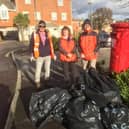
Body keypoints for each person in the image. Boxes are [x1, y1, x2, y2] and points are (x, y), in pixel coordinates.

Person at [29, 20, 56, 89]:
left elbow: (51, 44)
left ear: (45, 26)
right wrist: (31, 54)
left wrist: (53, 54)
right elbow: (31, 44)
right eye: (40, 26)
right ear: (38, 26)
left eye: (43, 26)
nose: (42, 27)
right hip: (39, 55)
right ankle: (37, 82)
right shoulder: (35, 33)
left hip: (48, 55)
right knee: (38, 70)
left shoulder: (48, 33)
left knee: (47, 69)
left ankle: (47, 81)